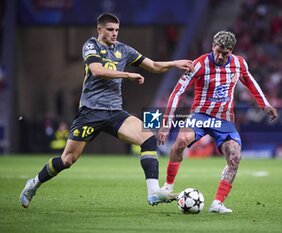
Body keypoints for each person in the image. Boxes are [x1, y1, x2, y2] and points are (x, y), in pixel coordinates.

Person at [20, 13, 194, 208]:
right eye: (110, 29)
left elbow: (153, 65)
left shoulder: (124, 50)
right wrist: (127, 74)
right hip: (90, 112)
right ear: (99, 29)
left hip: (114, 112)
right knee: (67, 160)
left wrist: (174, 63)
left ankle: (153, 193)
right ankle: (33, 184)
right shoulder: (91, 45)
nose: (114, 33)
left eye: (117, 30)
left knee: (148, 138)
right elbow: (97, 70)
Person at [158, 31, 278, 213]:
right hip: (199, 116)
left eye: (225, 53)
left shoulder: (238, 63)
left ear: (232, 51)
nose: (220, 56)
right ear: (213, 46)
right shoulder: (198, 64)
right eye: (218, 51)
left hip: (224, 120)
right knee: (181, 141)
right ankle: (167, 187)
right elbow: (177, 92)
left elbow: (251, 82)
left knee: (235, 157)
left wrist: (265, 104)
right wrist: (167, 123)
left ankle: (218, 203)